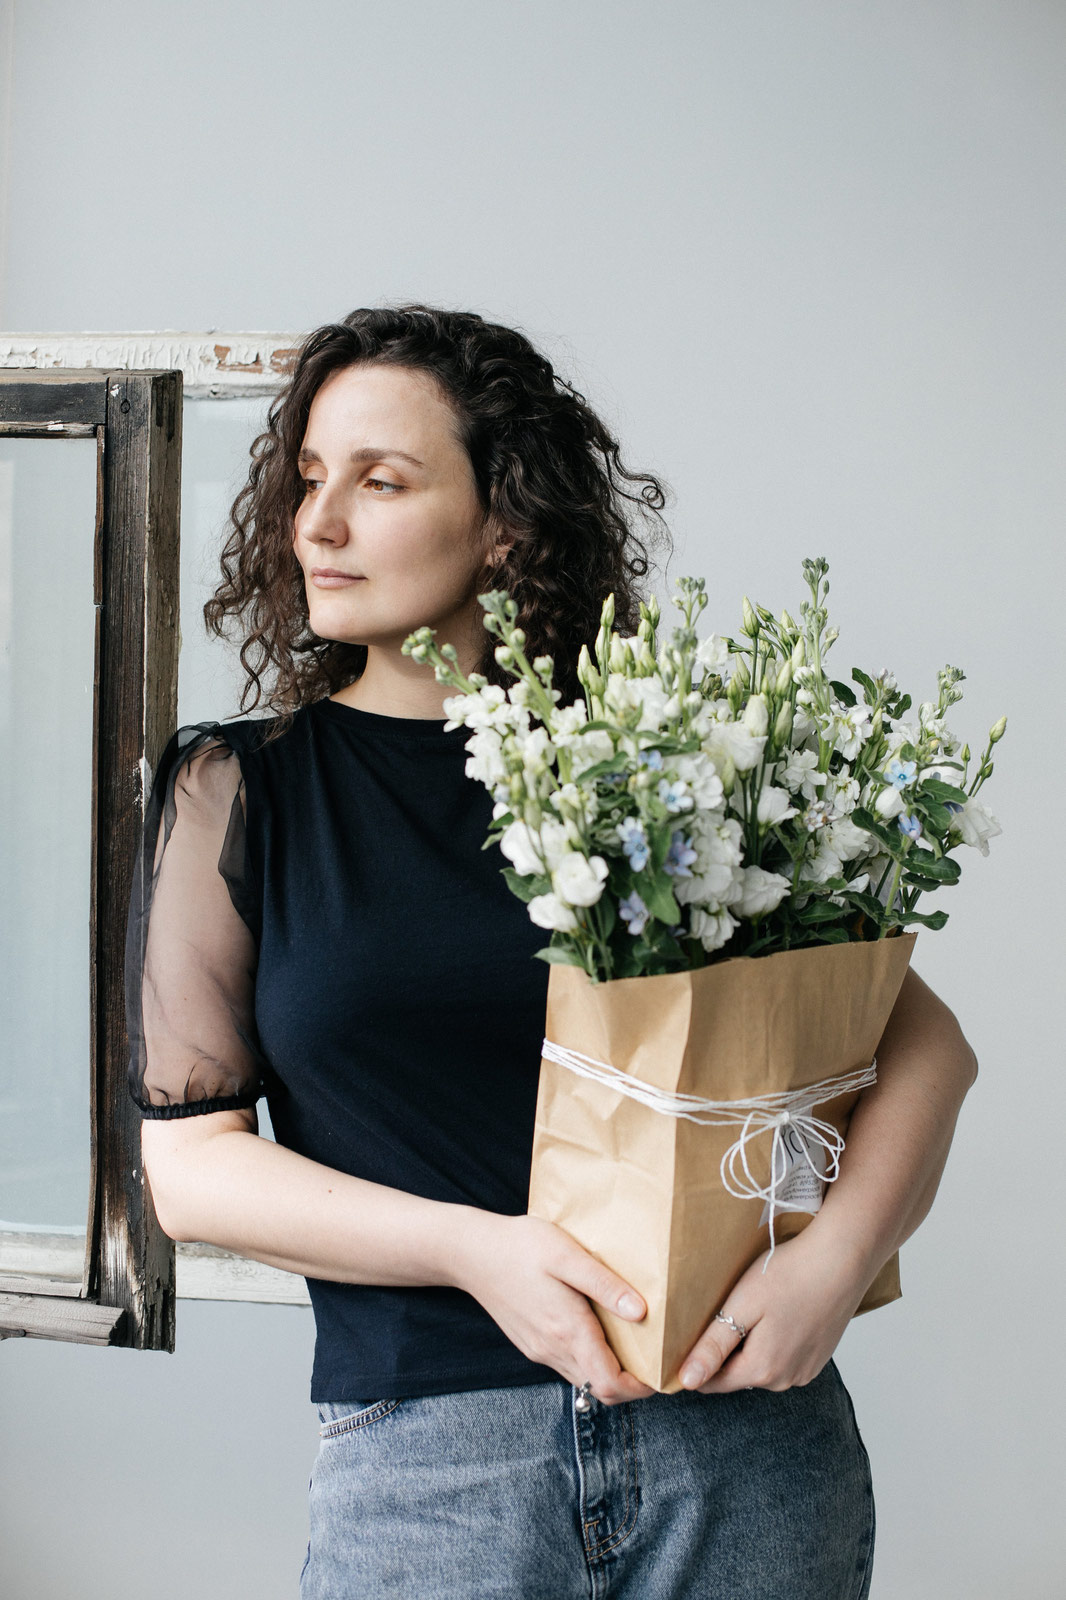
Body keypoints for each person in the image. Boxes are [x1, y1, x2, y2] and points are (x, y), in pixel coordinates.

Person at [124, 303, 979, 1600]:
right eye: (307, 480)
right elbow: (192, 1172)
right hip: (430, 1466)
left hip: (738, 1448)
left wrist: (835, 1260)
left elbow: (925, 1044)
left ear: (505, 524)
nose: (320, 525)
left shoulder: (651, 767)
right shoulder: (241, 791)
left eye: (380, 481)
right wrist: (477, 1250)